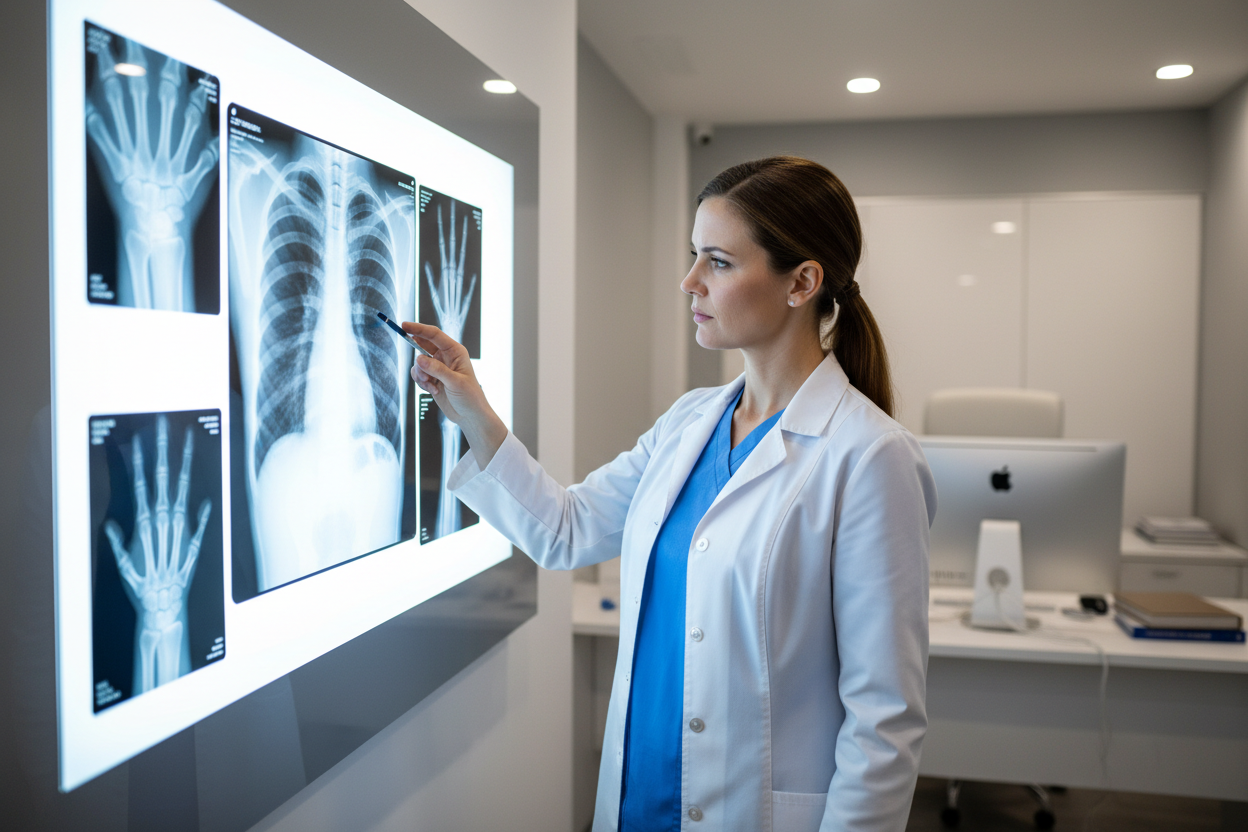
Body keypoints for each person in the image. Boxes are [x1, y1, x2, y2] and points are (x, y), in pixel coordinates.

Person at [404, 156, 937, 832]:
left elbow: (884, 721)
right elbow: (567, 530)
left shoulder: (870, 456)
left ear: (802, 282)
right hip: (638, 803)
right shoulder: (691, 422)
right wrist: (473, 411)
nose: (690, 282)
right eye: (694, 256)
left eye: (719, 262)